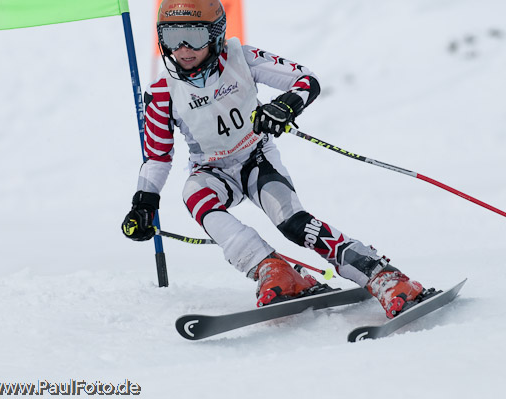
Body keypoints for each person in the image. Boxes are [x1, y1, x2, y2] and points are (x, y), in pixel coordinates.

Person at [122, 0, 424, 318]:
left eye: (194, 37)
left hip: (256, 158)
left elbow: (306, 80)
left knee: (293, 223)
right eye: (172, 38)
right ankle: (272, 268)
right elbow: (157, 156)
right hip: (212, 170)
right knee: (195, 195)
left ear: (215, 34)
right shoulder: (161, 93)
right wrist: (144, 203)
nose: (183, 49)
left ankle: (383, 277)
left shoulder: (242, 58)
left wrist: (284, 106)